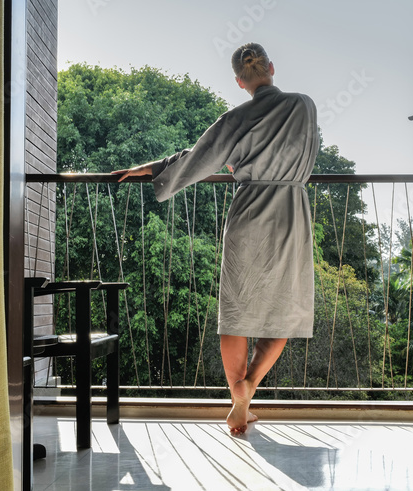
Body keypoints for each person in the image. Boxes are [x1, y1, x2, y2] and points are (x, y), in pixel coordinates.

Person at [112, 43, 319, 435]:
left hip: (248, 214)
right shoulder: (304, 105)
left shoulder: (235, 118)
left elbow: (202, 157)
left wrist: (154, 167)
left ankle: (235, 394)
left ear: (239, 81)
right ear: (272, 68)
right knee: (283, 309)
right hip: (291, 213)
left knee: (236, 312)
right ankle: (250, 386)